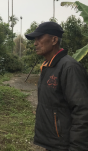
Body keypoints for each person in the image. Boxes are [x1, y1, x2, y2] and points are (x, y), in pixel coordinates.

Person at [25, 21, 88, 151]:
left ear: (54, 40)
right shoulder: (48, 66)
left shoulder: (69, 68)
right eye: (34, 39)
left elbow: (82, 111)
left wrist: (77, 147)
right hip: (53, 143)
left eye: (39, 38)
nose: (35, 43)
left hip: (65, 145)